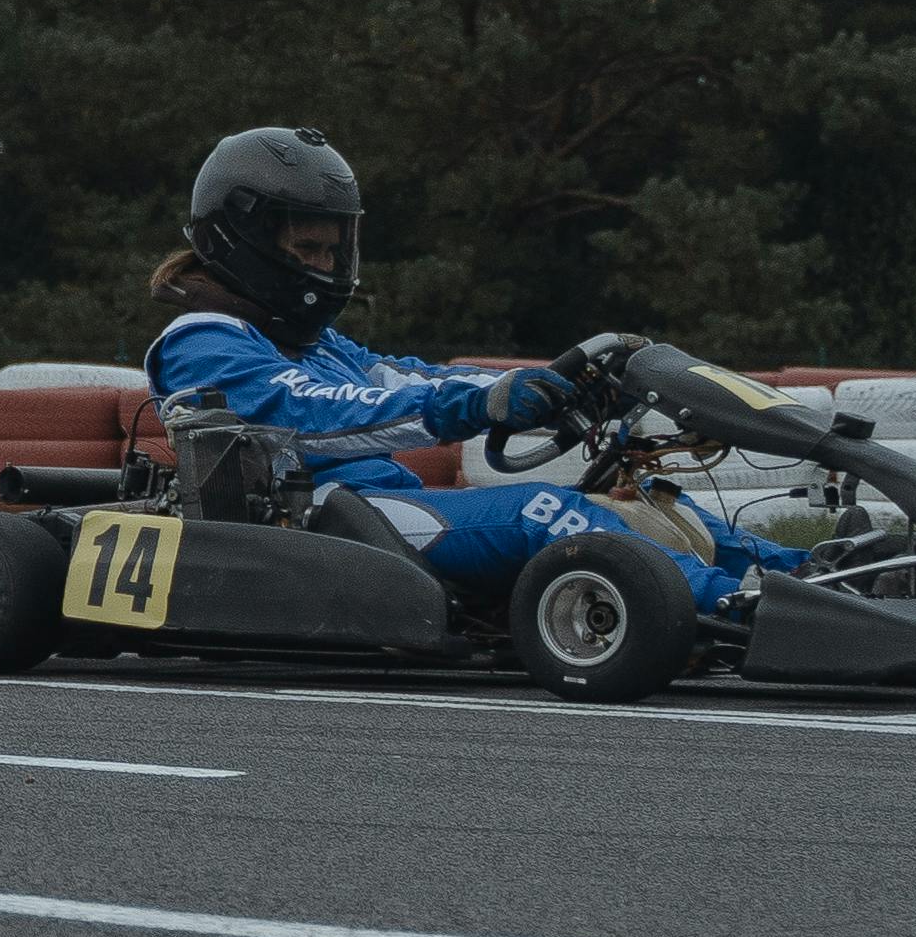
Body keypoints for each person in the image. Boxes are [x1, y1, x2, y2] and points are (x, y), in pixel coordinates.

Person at [142, 125, 793, 618]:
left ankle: (817, 577)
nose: (324, 265)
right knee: (546, 512)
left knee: (649, 504)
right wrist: (478, 407)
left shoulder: (315, 340)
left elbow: (406, 379)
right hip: (312, 523)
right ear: (244, 242)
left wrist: (543, 385)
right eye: (306, 248)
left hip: (380, 513)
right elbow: (309, 415)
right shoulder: (202, 340)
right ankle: (741, 607)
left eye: (333, 248)